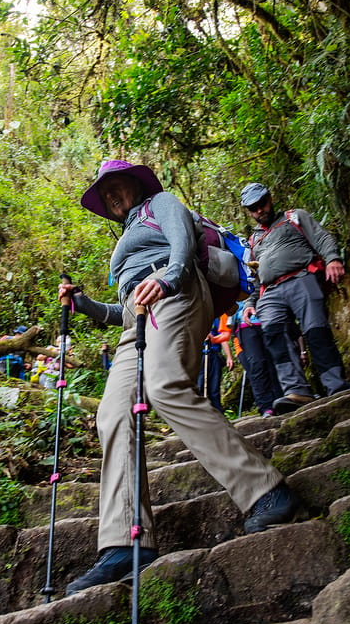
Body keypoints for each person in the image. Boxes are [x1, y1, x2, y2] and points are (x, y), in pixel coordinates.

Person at [58, 160, 298, 596]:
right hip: (140, 318)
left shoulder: (160, 204)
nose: (112, 195)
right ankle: (125, 542)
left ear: (134, 184)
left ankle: (265, 489)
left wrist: (168, 280)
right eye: (104, 192)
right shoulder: (125, 239)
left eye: (117, 185)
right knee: (112, 414)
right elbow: (123, 312)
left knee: (165, 384)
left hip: (177, 291)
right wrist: (85, 304)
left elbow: (183, 244)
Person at [240, 182, 350, 413]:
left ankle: (335, 385)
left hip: (301, 278)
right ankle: (297, 391)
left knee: (316, 331)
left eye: (261, 204)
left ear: (270, 199)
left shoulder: (294, 218)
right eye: (253, 208)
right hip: (269, 292)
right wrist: (250, 304)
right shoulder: (253, 241)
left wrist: (332, 259)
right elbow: (256, 276)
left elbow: (321, 238)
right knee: (274, 337)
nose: (259, 211)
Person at [232, 302, 283, 417]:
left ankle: (281, 398)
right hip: (245, 325)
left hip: (268, 318)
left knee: (275, 361)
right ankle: (266, 406)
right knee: (257, 364)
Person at [196, 314, 234, 412]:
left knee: (214, 389)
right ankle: (199, 414)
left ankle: (218, 414)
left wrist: (229, 357)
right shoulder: (194, 316)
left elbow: (223, 337)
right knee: (199, 387)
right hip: (198, 356)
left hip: (214, 354)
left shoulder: (216, 318)